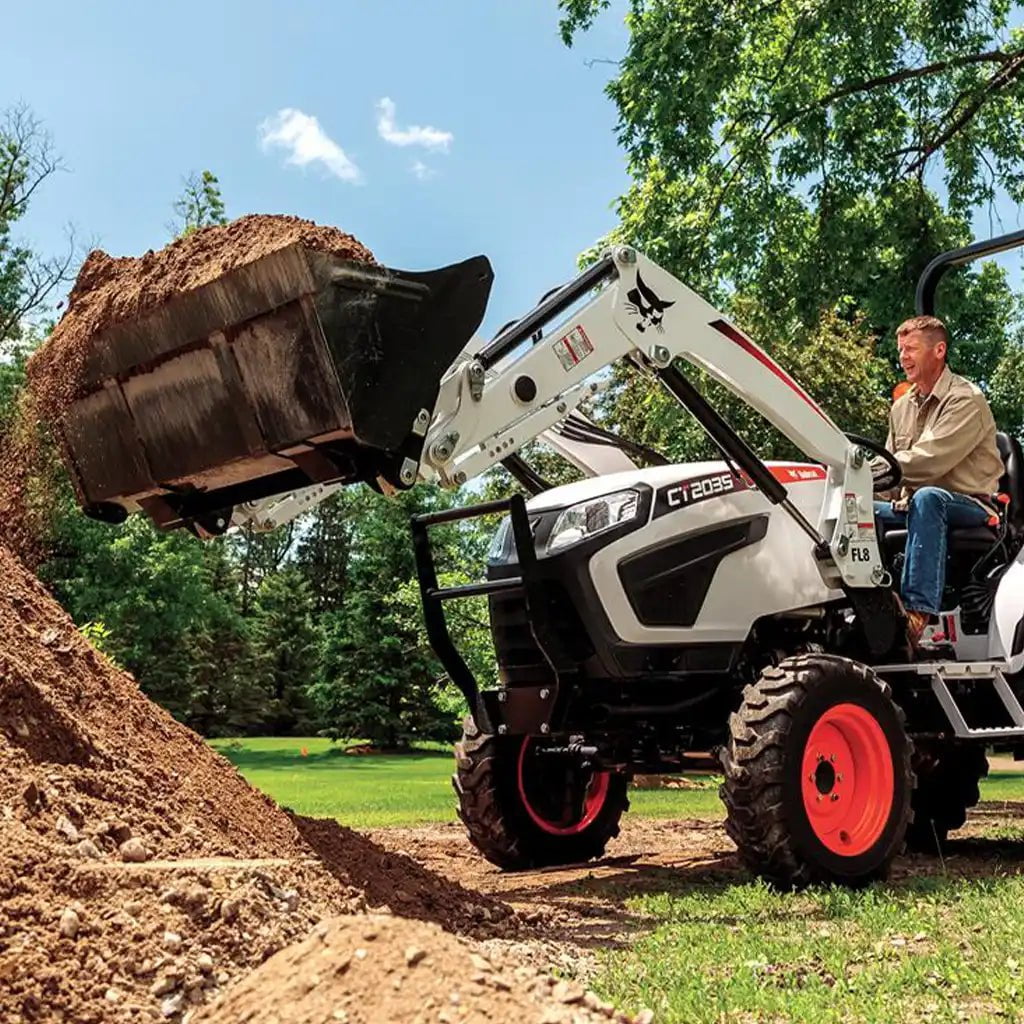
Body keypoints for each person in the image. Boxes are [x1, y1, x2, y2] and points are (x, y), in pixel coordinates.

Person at [874, 315, 1003, 648]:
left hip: (969, 505)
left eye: (911, 349)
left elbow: (930, 460)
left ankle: (916, 614)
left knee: (929, 497)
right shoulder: (901, 407)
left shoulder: (965, 399)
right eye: (900, 349)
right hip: (914, 506)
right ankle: (870, 607)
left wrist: (867, 471)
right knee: (859, 510)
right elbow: (889, 473)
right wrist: (854, 485)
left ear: (939, 350)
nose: (903, 356)